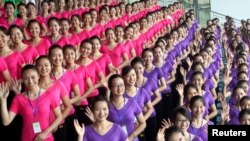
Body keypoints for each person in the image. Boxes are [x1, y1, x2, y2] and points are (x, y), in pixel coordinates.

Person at [0, 64, 63, 141]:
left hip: (46, 138)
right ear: (22, 79)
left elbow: (59, 117)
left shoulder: (49, 94)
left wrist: (46, 133)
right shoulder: (18, 99)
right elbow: (6, 122)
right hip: (27, 138)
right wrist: (3, 100)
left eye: (33, 77)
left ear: (38, 76)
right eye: (26, 78)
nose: (30, 81)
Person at [107, 74, 146, 141]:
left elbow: (143, 123)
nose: (119, 88)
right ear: (110, 88)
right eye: (116, 85)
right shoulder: (107, 106)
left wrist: (131, 136)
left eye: (122, 85)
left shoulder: (132, 103)